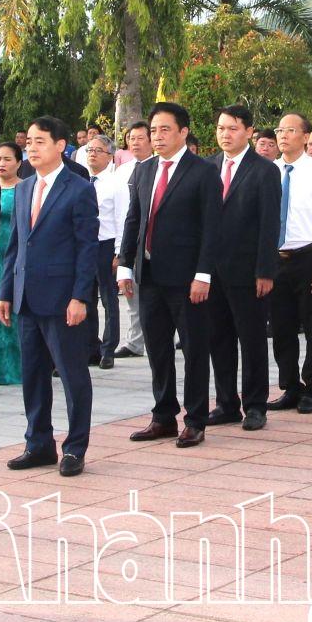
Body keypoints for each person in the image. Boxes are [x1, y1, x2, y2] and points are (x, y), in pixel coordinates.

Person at [0, 117, 99, 477]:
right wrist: (5, 291)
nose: (32, 148)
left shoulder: (79, 188)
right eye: (29, 143)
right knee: (33, 375)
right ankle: (38, 443)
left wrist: (80, 297)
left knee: (72, 376)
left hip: (63, 300)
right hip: (26, 298)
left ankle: (74, 448)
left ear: (60, 145)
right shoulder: (23, 189)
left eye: (41, 142)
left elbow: (88, 248)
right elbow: (15, 246)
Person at [118, 102, 221, 447]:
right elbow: (135, 219)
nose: (157, 137)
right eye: (153, 130)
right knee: (157, 349)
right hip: (149, 276)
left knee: (193, 350)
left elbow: (211, 227)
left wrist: (203, 274)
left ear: (183, 132)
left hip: (187, 278)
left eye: (165, 130)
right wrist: (124, 264)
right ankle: (163, 416)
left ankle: (195, 419)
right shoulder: (144, 171)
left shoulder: (203, 171)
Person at [204, 106, 280, 429]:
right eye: (221, 128)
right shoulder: (208, 167)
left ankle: (255, 405)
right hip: (212, 271)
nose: (225, 134)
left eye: (232, 128)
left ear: (249, 131)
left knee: (250, 340)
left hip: (248, 271)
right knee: (218, 339)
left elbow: (269, 224)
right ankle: (226, 403)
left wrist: (265, 270)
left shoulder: (264, 170)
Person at [267, 112, 312, 413]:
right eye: (280, 129)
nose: (283, 135)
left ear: (305, 136)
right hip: (275, 258)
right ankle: (289, 386)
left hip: (309, 256)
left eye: (290, 130)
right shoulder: (269, 170)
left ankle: (310, 386)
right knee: (281, 326)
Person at [84, 135, 126, 369]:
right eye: (90, 150)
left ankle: (108, 349)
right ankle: (91, 347)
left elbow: (122, 218)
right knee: (86, 297)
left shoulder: (115, 182)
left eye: (98, 150)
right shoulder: (83, 181)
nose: (92, 154)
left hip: (107, 245)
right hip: (85, 246)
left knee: (109, 300)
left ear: (110, 156)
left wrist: (119, 253)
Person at [111, 122, 152, 357]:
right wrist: (119, 250)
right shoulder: (122, 172)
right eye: (131, 139)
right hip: (129, 242)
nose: (134, 143)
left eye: (139, 138)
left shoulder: (158, 167)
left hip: (155, 243)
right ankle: (135, 342)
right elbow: (119, 213)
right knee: (131, 294)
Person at [0, 142, 23, 385]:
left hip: (16, 258)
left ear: (19, 163)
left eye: (7, 159)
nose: (2, 164)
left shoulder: (25, 189)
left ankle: (19, 369)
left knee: (15, 313)